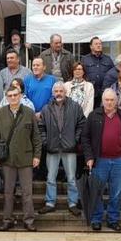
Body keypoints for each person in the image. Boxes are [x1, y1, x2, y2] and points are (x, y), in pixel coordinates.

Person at [0, 86, 42, 231]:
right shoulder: (0, 113)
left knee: (27, 192)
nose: (13, 98)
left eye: (15, 95)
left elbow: (36, 137)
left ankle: (29, 220)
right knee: (8, 192)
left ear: (20, 96)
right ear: (6, 97)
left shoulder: (29, 113)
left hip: (26, 158)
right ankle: (7, 219)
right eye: (10, 95)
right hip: (7, 159)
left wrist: (37, 156)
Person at [83, 89, 121, 232]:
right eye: (107, 100)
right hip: (100, 161)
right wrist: (89, 157)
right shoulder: (94, 116)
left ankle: (113, 219)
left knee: (116, 193)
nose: (109, 102)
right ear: (102, 100)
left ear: (116, 101)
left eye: (112, 100)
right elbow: (85, 138)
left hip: (119, 161)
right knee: (97, 192)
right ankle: (96, 219)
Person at [39, 82, 86, 217]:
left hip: (69, 148)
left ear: (66, 93)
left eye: (61, 91)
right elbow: (41, 127)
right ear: (53, 93)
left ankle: (72, 203)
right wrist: (45, 142)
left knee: (71, 178)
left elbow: (81, 124)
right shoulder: (46, 108)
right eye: (56, 91)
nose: (58, 93)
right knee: (50, 177)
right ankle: (50, 203)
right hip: (52, 148)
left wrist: (75, 139)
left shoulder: (75, 107)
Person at [81, 37, 114, 106]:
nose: (99, 45)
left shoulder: (108, 59)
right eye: (96, 44)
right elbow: (81, 74)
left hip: (105, 91)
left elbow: (113, 74)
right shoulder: (85, 59)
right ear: (91, 47)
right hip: (90, 92)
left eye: (100, 44)